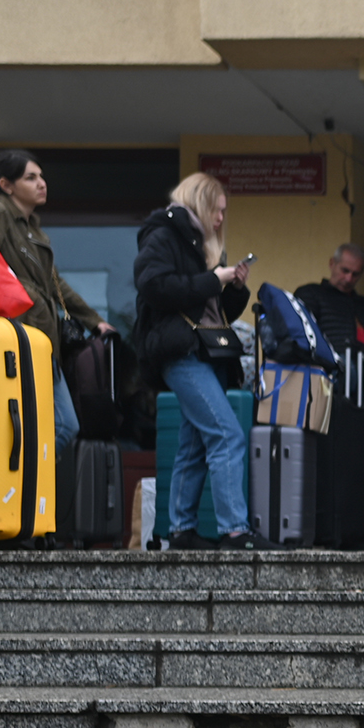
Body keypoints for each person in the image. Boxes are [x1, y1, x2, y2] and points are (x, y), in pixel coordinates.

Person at [131, 172, 252, 548]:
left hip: (203, 351)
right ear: (200, 202)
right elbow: (153, 285)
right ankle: (235, 530)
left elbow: (216, 311)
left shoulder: (203, 244)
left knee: (194, 444)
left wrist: (236, 286)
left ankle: (181, 530)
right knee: (227, 435)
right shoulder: (164, 235)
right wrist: (214, 280)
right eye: (217, 210)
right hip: (180, 352)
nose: (220, 219)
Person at [0, 150, 113, 455]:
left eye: (41, 176)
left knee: (57, 425)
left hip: (40, 339)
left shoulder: (31, 228)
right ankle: (22, 487)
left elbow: (55, 284)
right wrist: (20, 292)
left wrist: (94, 321)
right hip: (17, 336)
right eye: (30, 177)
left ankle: (26, 488)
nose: (42, 183)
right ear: (6, 184)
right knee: (61, 425)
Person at [297, 244, 364, 548]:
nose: (349, 278)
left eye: (356, 274)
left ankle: (358, 529)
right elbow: (302, 338)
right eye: (345, 270)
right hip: (331, 393)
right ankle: (331, 530)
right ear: (332, 264)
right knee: (330, 464)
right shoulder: (311, 295)